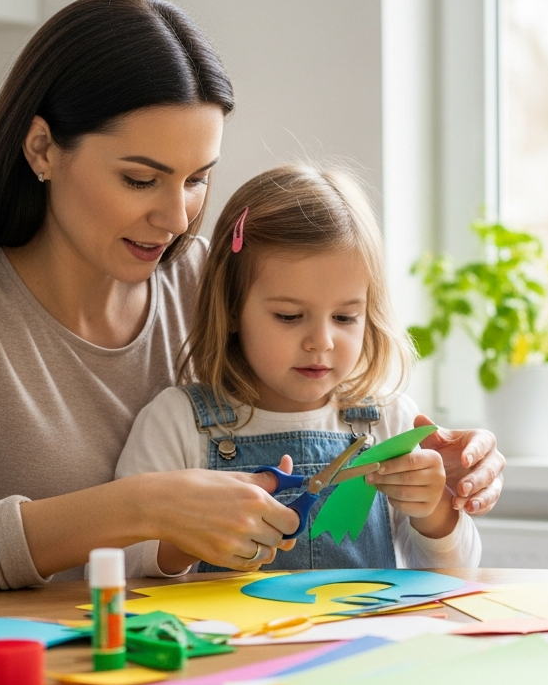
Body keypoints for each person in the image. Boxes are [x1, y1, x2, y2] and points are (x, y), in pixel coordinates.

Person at [0, 0, 503, 596]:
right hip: (3, 673)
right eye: (141, 179)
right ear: (42, 147)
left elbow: (325, 402)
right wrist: (137, 508)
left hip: (180, 663)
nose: (177, 218)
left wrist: (450, 474)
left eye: (198, 179)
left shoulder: (201, 279)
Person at [117, 165, 480, 571]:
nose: (321, 341)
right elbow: (124, 560)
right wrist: (192, 537)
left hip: (360, 634)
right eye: (289, 316)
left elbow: (456, 574)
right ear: (231, 308)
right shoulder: (177, 423)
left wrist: (435, 513)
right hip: (230, 637)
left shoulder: (389, 421)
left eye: (345, 318)